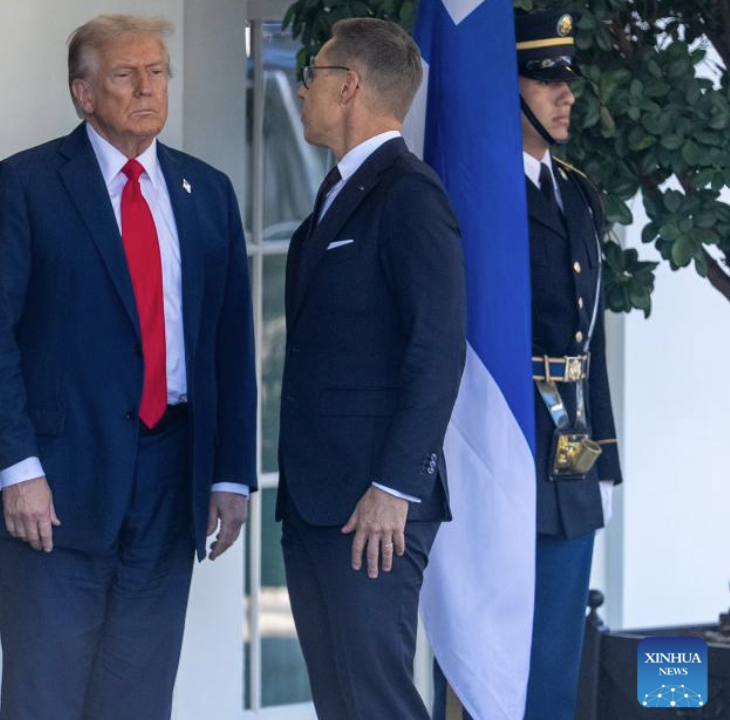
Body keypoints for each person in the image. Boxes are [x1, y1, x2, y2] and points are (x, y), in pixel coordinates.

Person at [0, 14, 256, 720]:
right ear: (83, 93)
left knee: (139, 696)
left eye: (157, 73)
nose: (148, 87)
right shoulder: (23, 185)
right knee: (46, 695)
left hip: (171, 477)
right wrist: (18, 469)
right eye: (126, 74)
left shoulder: (205, 192)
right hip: (55, 487)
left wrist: (230, 473)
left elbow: (229, 347)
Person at [277, 17, 466, 720]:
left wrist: (394, 485)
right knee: (342, 703)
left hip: (372, 507)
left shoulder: (410, 196)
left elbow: (437, 347)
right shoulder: (336, 194)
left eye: (314, 75)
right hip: (318, 498)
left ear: (349, 84)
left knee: (375, 702)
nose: (301, 91)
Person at [516, 10, 622, 720]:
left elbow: (591, 344)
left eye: (567, 80)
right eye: (546, 78)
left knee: (555, 669)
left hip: (571, 452)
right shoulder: (479, 195)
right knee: (492, 666)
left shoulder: (577, 189)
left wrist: (607, 459)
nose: (565, 94)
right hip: (507, 442)